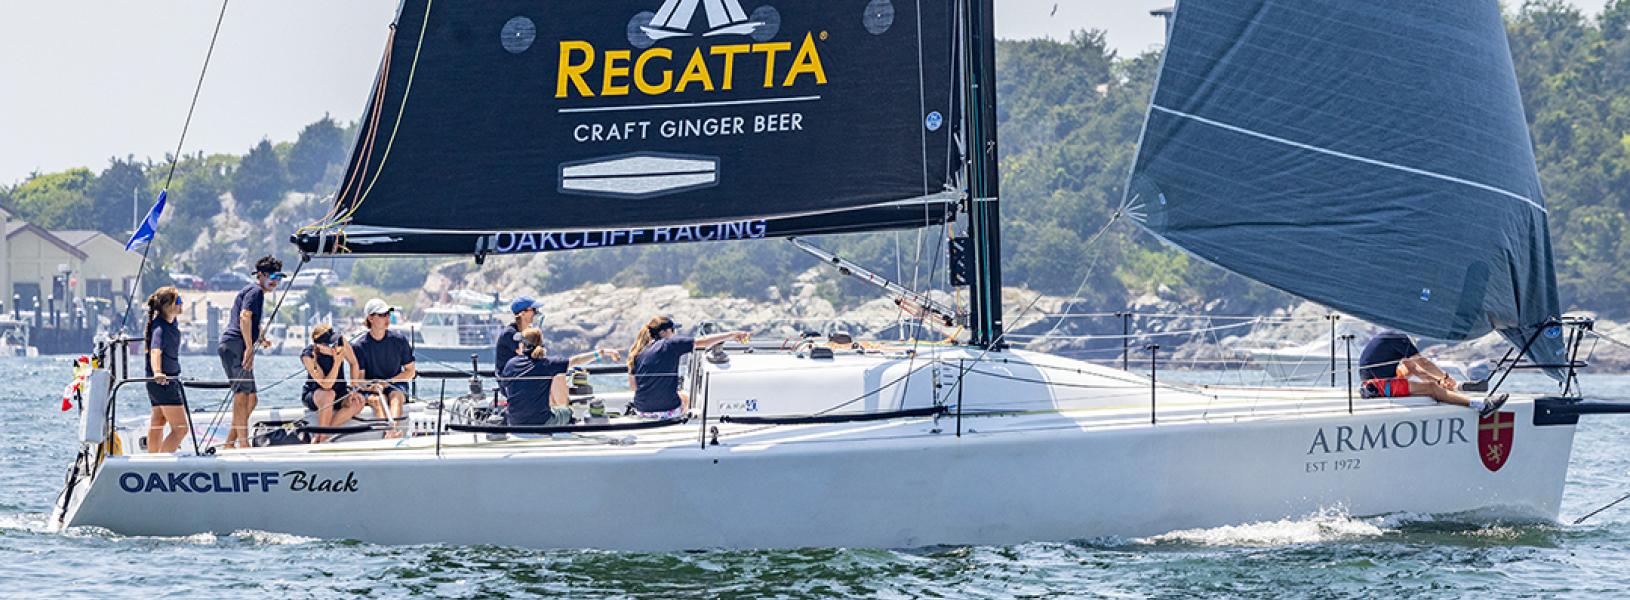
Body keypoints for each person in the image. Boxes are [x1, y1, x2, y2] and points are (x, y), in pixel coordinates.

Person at [1359, 330, 1507, 418]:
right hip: (1379, 388)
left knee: (1410, 366)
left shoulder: (1389, 335)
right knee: (1430, 388)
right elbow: (1423, 362)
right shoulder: (1399, 338)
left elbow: (1415, 365)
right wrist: (1445, 376)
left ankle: (1453, 388)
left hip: (1374, 383)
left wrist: (1441, 379)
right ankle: (1481, 406)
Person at [217, 256, 284, 449]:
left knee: (252, 398)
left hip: (238, 345)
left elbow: (252, 321)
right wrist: (249, 347)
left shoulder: (254, 291)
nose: (275, 281)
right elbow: (244, 317)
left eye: (279, 277)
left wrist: (261, 338)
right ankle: (243, 444)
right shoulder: (255, 291)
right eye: (272, 276)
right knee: (241, 395)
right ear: (261, 275)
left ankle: (230, 442)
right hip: (235, 345)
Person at [626, 316, 748, 418]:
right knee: (686, 397)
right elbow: (703, 342)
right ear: (664, 333)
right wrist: (732, 334)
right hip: (667, 411)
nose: (675, 333)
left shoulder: (637, 352)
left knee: (680, 395)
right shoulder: (670, 344)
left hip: (642, 410)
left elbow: (633, 387)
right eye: (673, 330)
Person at [501, 328, 620, 426]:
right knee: (567, 411)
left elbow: (506, 388)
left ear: (523, 345)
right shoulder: (547, 364)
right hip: (541, 422)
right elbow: (577, 361)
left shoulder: (511, 364)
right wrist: (602, 352)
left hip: (514, 422)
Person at [351, 298, 416, 436]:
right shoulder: (359, 346)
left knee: (396, 396)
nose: (387, 318)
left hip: (395, 384)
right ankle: (391, 433)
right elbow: (359, 380)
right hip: (372, 388)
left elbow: (410, 372)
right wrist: (371, 386)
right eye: (382, 315)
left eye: (388, 314)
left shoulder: (399, 340)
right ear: (370, 318)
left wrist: (389, 382)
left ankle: (390, 433)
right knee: (378, 400)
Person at [300, 324, 367, 443]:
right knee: (328, 394)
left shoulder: (340, 343)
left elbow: (354, 363)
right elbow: (326, 385)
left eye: (335, 342)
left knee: (358, 401)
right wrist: (337, 363)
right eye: (331, 345)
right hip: (316, 395)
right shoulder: (308, 356)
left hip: (339, 393)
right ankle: (323, 434)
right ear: (319, 346)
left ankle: (323, 434)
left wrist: (353, 388)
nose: (335, 347)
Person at [144, 287, 189, 453]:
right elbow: (155, 351)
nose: (181, 304)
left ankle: (153, 458)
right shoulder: (159, 328)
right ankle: (161, 462)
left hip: (156, 383)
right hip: (163, 381)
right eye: (178, 301)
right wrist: (157, 372)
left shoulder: (170, 323)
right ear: (168, 305)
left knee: (158, 421)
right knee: (181, 429)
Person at [495, 296, 544, 368]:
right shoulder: (510, 333)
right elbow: (524, 354)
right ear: (523, 313)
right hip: (509, 376)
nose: (536, 313)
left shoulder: (527, 333)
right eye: (534, 309)